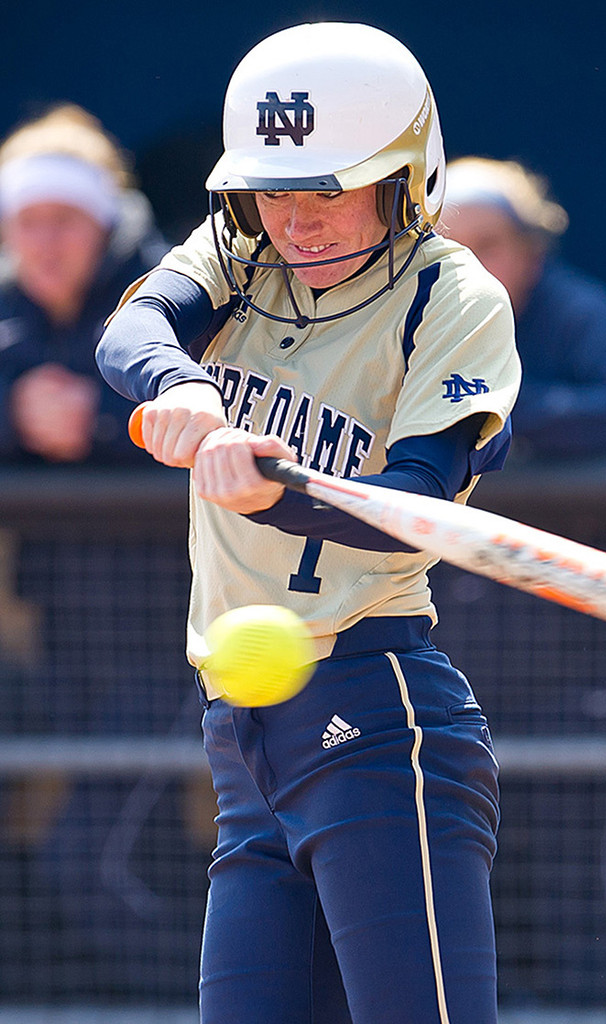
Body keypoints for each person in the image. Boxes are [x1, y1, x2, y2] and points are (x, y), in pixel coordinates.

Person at [96, 21, 520, 1024]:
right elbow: (133, 329)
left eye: (331, 188)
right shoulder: (238, 255)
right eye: (275, 189)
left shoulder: (451, 295)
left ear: (405, 176)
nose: (298, 219)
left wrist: (274, 490)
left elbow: (419, 504)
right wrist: (184, 390)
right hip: (242, 739)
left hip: (375, 716)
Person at [440, 157, 606, 459]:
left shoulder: (577, 313)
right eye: (447, 248)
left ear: (532, 252)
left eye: (487, 246)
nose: (467, 264)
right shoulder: (407, 315)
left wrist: (498, 410)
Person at [0, 103, 168, 464]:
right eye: (28, 221)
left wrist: (103, 417)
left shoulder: (170, 294)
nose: (46, 243)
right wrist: (12, 410)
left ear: (105, 227)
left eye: (65, 219)